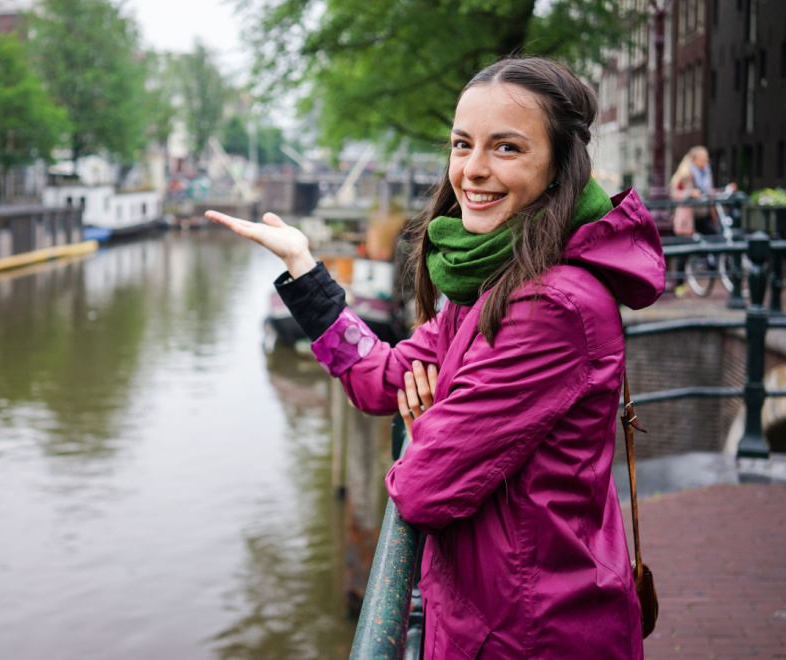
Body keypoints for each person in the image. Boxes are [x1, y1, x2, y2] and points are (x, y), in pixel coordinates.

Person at [207, 56, 665, 659]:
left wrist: (427, 424)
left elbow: (423, 488)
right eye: (462, 144)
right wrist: (303, 268)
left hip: (532, 633)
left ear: (559, 167)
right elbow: (381, 379)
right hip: (493, 616)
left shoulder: (550, 307)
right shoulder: (491, 279)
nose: (472, 170)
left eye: (506, 147)